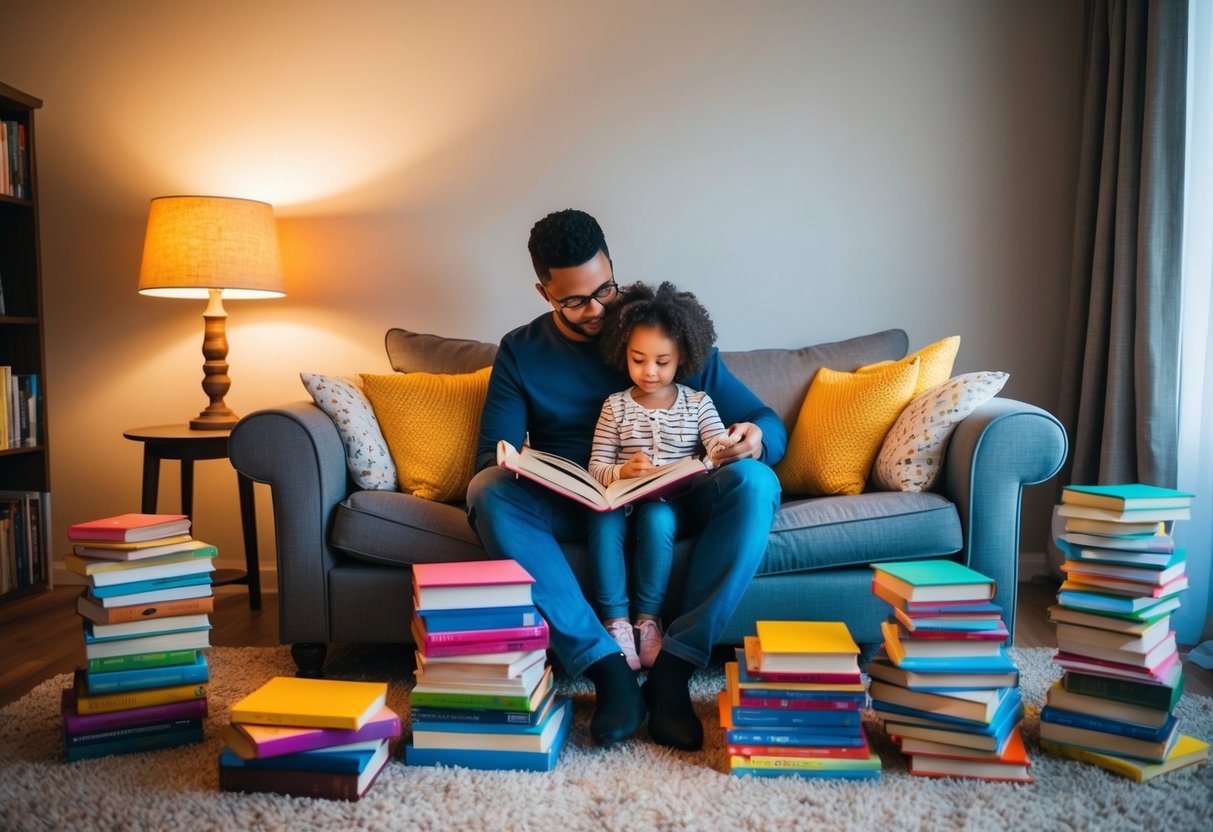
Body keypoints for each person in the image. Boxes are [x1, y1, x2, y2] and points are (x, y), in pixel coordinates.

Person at [466, 209, 785, 751]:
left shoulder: (658, 331)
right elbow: (488, 459)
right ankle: (608, 670)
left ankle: (673, 673)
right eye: (574, 300)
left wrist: (755, 438)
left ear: (613, 267)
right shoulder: (520, 350)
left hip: (679, 494)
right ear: (544, 292)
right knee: (487, 493)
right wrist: (537, 471)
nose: (596, 310)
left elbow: (766, 421)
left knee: (755, 483)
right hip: (581, 497)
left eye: (604, 289)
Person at [586, 281, 737, 672]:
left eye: (662, 361)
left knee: (658, 516)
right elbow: (596, 466)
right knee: (601, 519)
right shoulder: (615, 406)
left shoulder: (698, 403)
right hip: (620, 499)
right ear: (624, 353)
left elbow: (717, 445)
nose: (649, 372)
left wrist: (724, 448)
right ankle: (615, 622)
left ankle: (648, 622)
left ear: (682, 357)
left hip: (672, 503)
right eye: (638, 360)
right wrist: (622, 470)